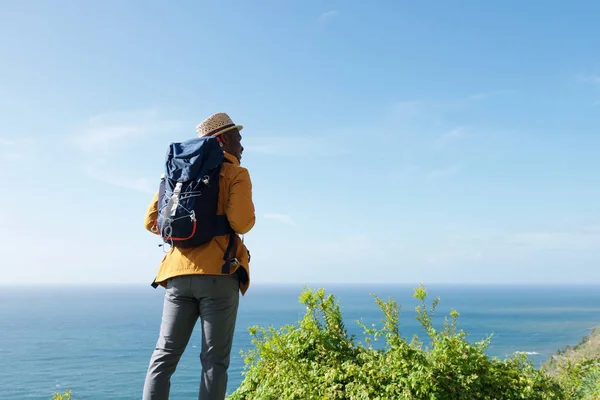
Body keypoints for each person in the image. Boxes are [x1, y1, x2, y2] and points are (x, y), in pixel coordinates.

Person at [141, 112, 255, 400]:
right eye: (238, 139)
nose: (242, 147)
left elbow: (151, 221)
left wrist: (186, 235)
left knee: (164, 356)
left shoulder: (175, 174)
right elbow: (242, 222)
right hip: (218, 273)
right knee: (214, 362)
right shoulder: (236, 173)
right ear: (223, 139)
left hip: (176, 275)